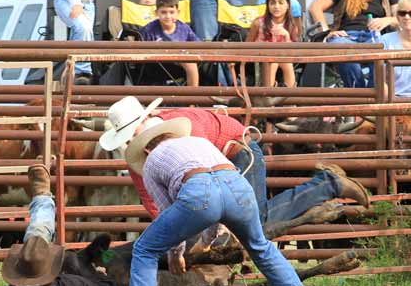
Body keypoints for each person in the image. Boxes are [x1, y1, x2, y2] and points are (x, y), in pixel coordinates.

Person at [123, 122, 318, 286]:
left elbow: (167, 211)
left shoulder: (152, 161)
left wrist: (176, 254)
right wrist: (206, 243)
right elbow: (218, 190)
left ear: (146, 149)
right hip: (238, 187)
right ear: (172, 135)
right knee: (260, 246)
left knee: (145, 249)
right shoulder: (199, 142)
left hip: (197, 190)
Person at [99, 96, 370, 232]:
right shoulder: (138, 158)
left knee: (252, 221)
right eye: (125, 138)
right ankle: (328, 185)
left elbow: (208, 172)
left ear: (144, 123)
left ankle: (328, 185)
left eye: (130, 134)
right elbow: (154, 204)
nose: (130, 141)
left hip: (236, 153)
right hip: (217, 167)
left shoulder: (185, 126)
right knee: (248, 223)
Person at [309, 0, 401, 88]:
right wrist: (326, 32)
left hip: (375, 36)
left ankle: (374, 94)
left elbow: (402, 16)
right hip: (346, 36)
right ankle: (358, 93)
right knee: (341, 48)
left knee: (384, 48)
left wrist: (388, 20)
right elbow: (315, 7)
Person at [140, 0, 200, 86]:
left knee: (191, 63)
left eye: (172, 12)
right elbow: (140, 51)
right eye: (163, 12)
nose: (168, 16)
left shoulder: (184, 28)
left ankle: (192, 98)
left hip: (180, 67)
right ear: (156, 13)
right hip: (156, 66)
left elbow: (198, 45)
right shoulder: (148, 30)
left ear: (178, 13)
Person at [247, 0, 299, 87]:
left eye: (281, 3)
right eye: (272, 3)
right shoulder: (258, 23)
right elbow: (247, 46)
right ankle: (269, 96)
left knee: (286, 63)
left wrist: (287, 37)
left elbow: (293, 54)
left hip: (283, 59)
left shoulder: (291, 26)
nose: (276, 6)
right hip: (259, 60)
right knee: (273, 62)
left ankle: (290, 98)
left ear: (287, 5)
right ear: (268, 5)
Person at [53, 0, 98, 85]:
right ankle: (81, 72)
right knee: (83, 29)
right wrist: (76, 3)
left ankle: (71, 72)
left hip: (87, 1)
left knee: (82, 34)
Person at [382, 0, 411, 97]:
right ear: (398, 16)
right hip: (395, 100)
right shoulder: (385, 40)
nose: (406, 17)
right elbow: (381, 79)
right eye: (402, 13)